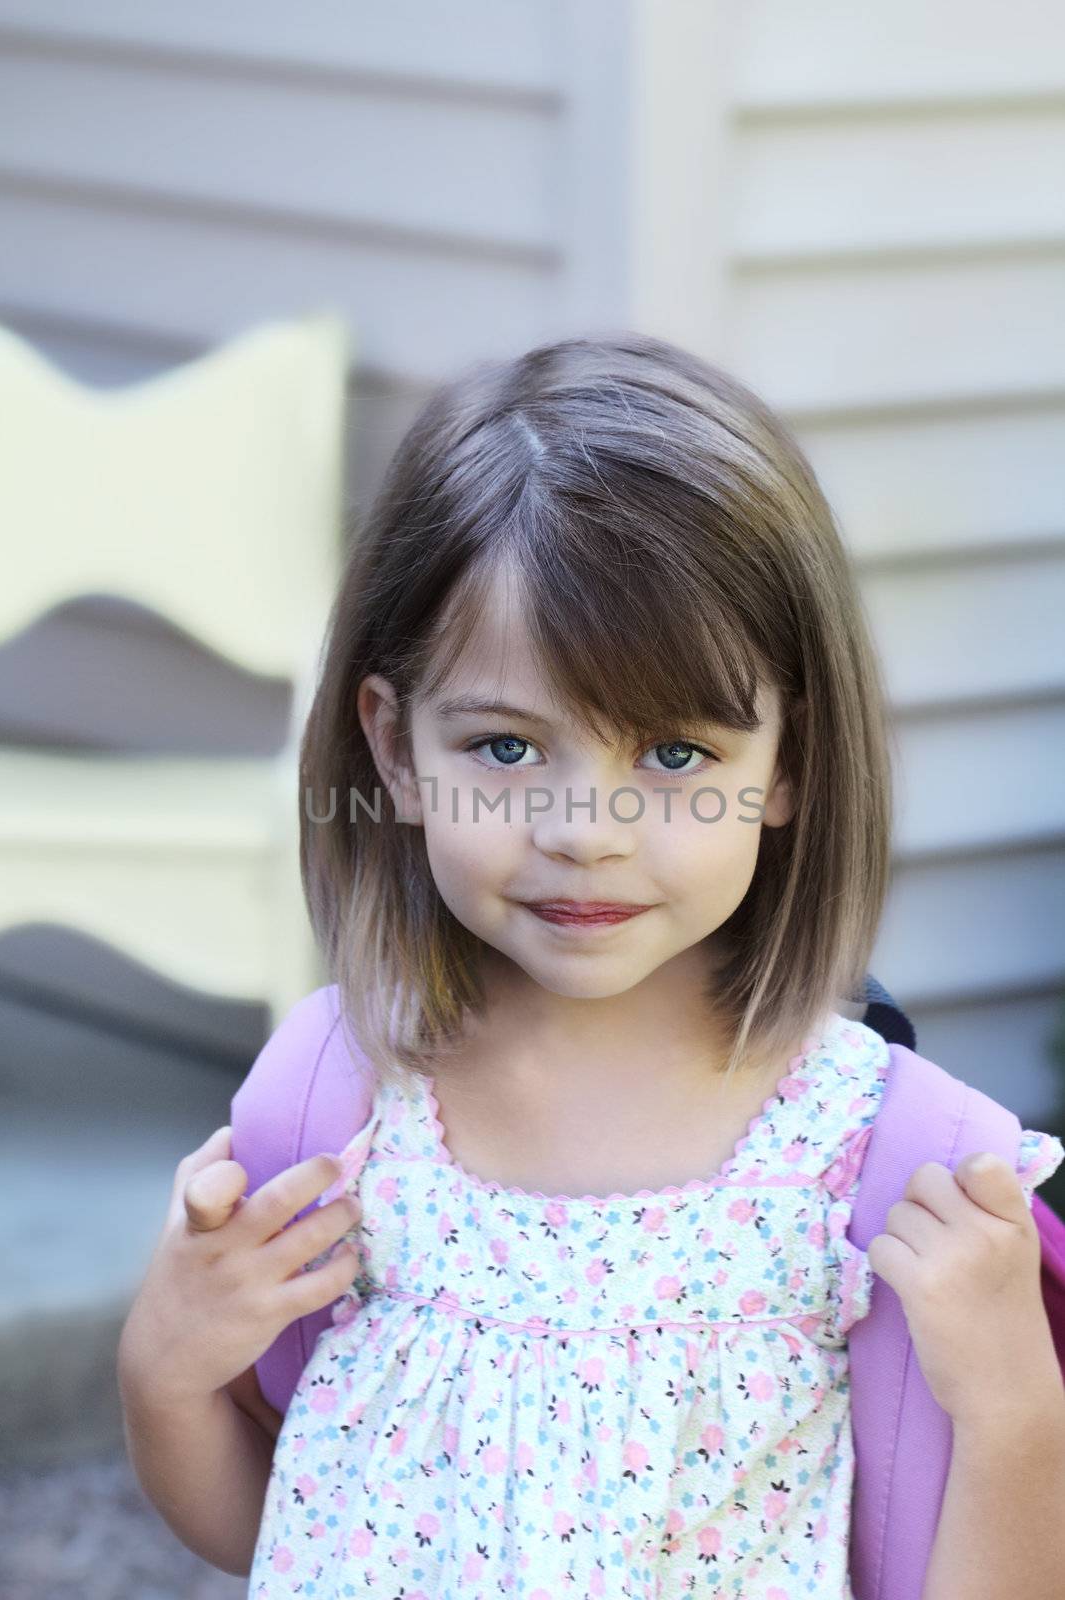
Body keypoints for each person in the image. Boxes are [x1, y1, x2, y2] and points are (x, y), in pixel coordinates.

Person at [118, 333, 1065, 1596]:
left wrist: (1012, 1411)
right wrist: (165, 1369)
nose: (584, 830)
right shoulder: (340, 1110)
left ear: (786, 765)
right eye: (506, 749)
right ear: (395, 749)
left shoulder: (886, 1167)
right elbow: (278, 1526)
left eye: (673, 756)